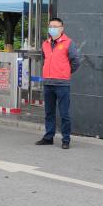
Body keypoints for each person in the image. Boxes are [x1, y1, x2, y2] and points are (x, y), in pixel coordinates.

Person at [36, 18, 81, 149]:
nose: (53, 28)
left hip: (62, 84)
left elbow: (75, 61)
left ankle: (66, 139)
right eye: (51, 26)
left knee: (64, 114)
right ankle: (48, 137)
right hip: (48, 82)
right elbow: (44, 60)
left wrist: (65, 72)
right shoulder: (45, 44)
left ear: (62, 28)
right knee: (49, 113)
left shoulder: (68, 43)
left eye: (56, 26)